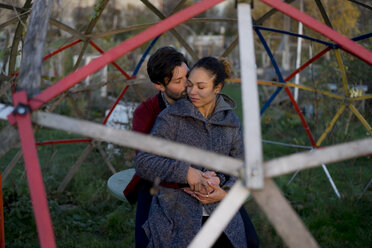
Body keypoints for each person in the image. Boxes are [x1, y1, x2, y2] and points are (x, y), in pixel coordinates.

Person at [135, 57, 259, 247]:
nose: (192, 92)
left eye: (201, 87)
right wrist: (186, 172)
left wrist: (224, 190)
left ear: (217, 88)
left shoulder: (231, 122)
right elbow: (144, 161)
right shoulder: (172, 117)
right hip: (177, 213)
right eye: (190, 85)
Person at [123, 47, 219, 247]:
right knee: (147, 241)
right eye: (178, 81)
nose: (188, 85)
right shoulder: (145, 113)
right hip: (158, 184)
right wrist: (185, 173)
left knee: (246, 240)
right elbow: (146, 162)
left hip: (204, 180)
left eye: (188, 76)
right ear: (159, 85)